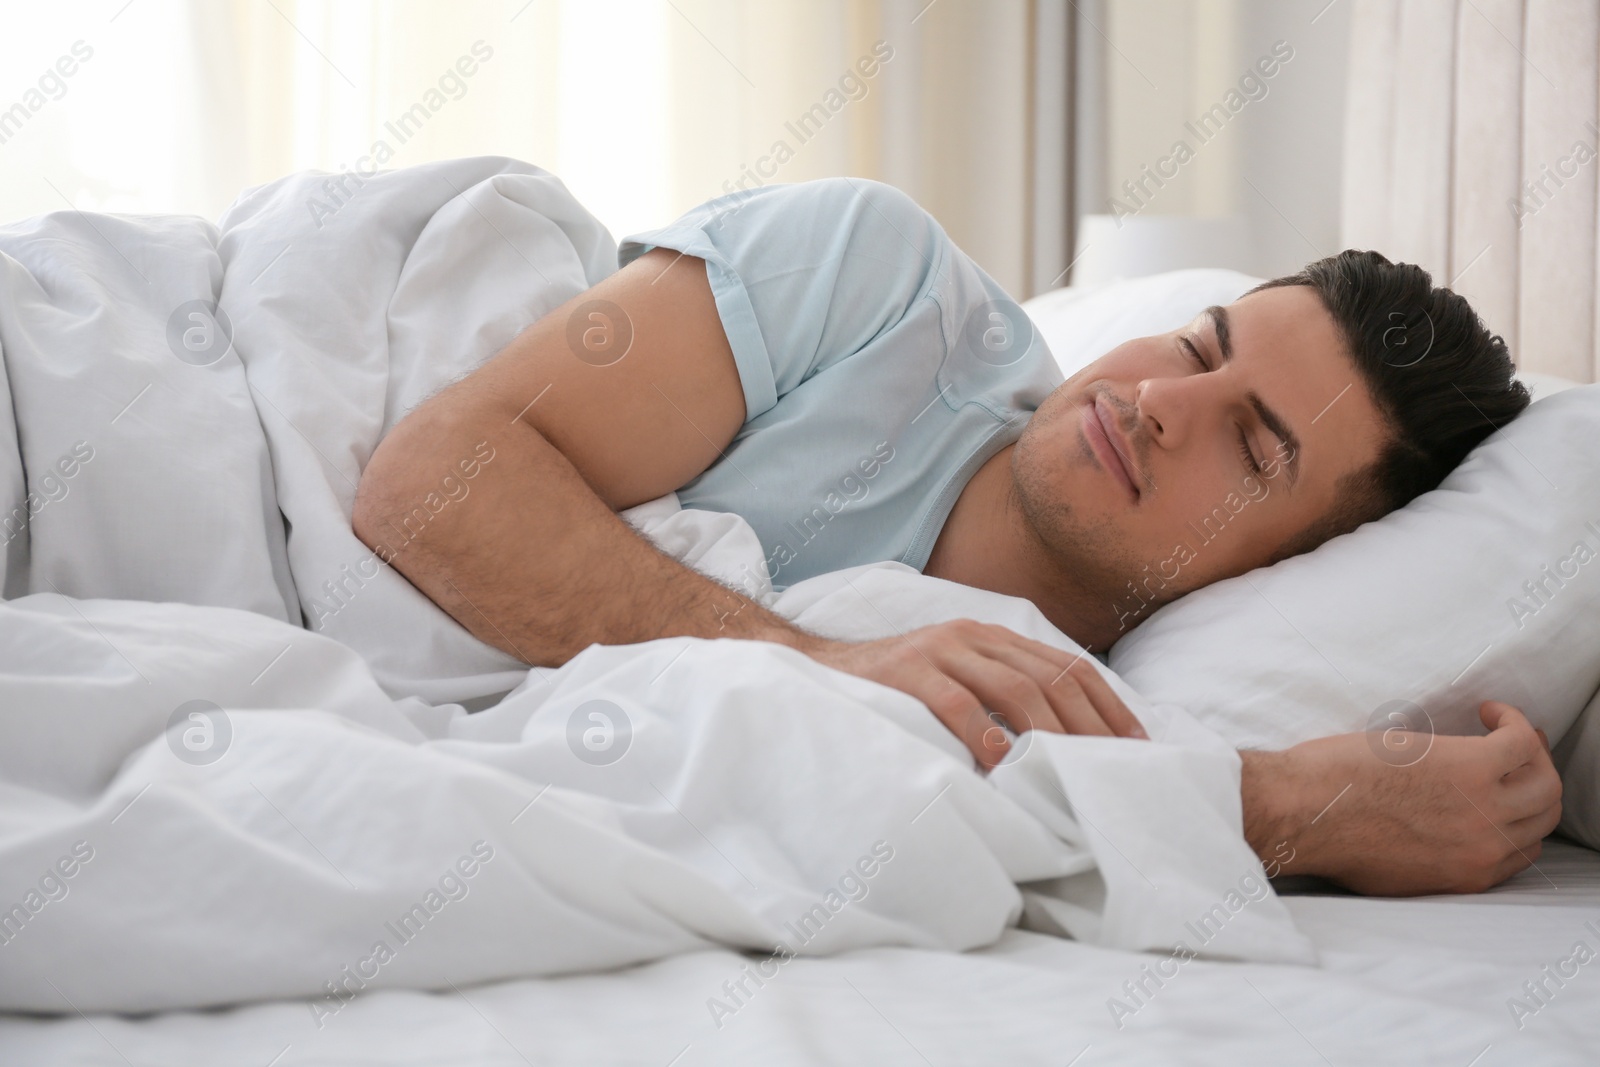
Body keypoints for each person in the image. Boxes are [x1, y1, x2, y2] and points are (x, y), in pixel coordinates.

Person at [353, 177, 1560, 898]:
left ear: (1292, 566)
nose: (1157, 402)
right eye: (1196, 347)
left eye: (1251, 450)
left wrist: (1312, 800)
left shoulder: (1089, 711)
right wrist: (827, 664)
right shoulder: (880, 282)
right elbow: (429, 482)